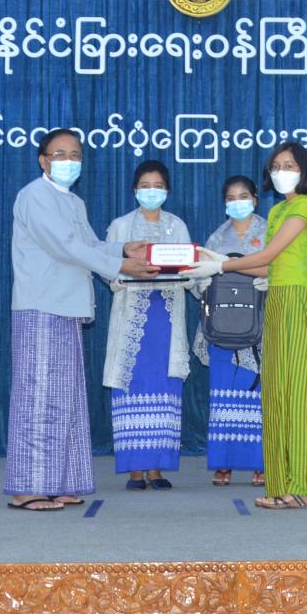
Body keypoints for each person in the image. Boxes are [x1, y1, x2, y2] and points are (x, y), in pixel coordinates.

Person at [6, 128, 159, 511]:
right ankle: (28, 486)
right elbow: (66, 247)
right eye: (60, 154)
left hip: (69, 306)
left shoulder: (73, 201)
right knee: (39, 399)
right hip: (41, 305)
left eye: (75, 155)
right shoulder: (34, 195)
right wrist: (120, 266)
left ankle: (60, 481)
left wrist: (122, 249)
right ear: (43, 160)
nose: (69, 161)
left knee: (66, 399)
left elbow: (89, 246)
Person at [185, 141, 307, 510]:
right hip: (276, 299)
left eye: (289, 165)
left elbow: (268, 254)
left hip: (298, 298)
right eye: (275, 166)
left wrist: (222, 265)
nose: (281, 171)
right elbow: (266, 266)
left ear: (304, 170)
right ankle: (281, 484)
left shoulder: (302, 206)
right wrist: (219, 261)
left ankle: (304, 486)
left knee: (296, 394)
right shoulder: (278, 210)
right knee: (274, 394)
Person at [103, 160, 192, 491]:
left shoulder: (177, 226)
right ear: (134, 190)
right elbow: (107, 266)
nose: (151, 191)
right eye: (145, 186)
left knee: (163, 384)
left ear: (167, 190)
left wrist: (185, 272)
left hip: (166, 317)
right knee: (132, 383)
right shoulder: (120, 226)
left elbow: (189, 268)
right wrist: (124, 273)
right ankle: (134, 470)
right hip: (131, 316)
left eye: (157, 186)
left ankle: (156, 469)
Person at [191, 175, 268, 487]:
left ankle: (260, 463)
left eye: (244, 196)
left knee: (257, 396)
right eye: (231, 197)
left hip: (260, 324)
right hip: (222, 326)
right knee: (223, 394)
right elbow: (197, 278)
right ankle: (223, 464)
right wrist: (201, 283)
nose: (238, 202)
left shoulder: (270, 232)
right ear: (224, 203)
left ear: (255, 199)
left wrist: (270, 280)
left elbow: (283, 267)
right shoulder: (216, 238)